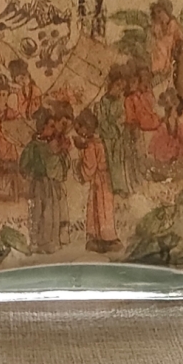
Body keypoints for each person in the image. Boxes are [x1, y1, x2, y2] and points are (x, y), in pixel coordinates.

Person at [19, 101, 73, 253]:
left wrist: (63, 152)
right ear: (42, 128)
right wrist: (30, 174)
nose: (54, 129)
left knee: (51, 212)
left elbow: (59, 164)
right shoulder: (34, 146)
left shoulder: (53, 144)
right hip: (39, 185)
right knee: (38, 212)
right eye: (51, 126)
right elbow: (24, 163)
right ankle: (37, 242)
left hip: (51, 185)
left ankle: (50, 242)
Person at [74, 108, 121, 253]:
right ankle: (102, 237)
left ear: (87, 127)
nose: (78, 132)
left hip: (99, 181)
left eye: (80, 128)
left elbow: (90, 166)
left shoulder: (90, 144)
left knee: (101, 208)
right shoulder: (99, 141)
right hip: (104, 179)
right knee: (101, 207)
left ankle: (106, 237)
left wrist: (78, 164)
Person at [149, 0, 183, 103]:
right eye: (156, 13)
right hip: (159, 60)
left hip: (171, 60)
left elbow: (181, 42)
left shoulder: (174, 25)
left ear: (166, 11)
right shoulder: (156, 27)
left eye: (160, 11)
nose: (158, 15)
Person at [95, 65, 132, 196]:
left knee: (120, 160)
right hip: (107, 137)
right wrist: (111, 129)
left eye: (122, 88)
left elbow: (122, 118)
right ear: (110, 84)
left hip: (117, 137)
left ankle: (121, 186)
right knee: (110, 161)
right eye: (117, 86)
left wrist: (117, 128)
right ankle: (114, 187)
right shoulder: (102, 103)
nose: (119, 90)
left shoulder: (119, 103)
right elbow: (101, 122)